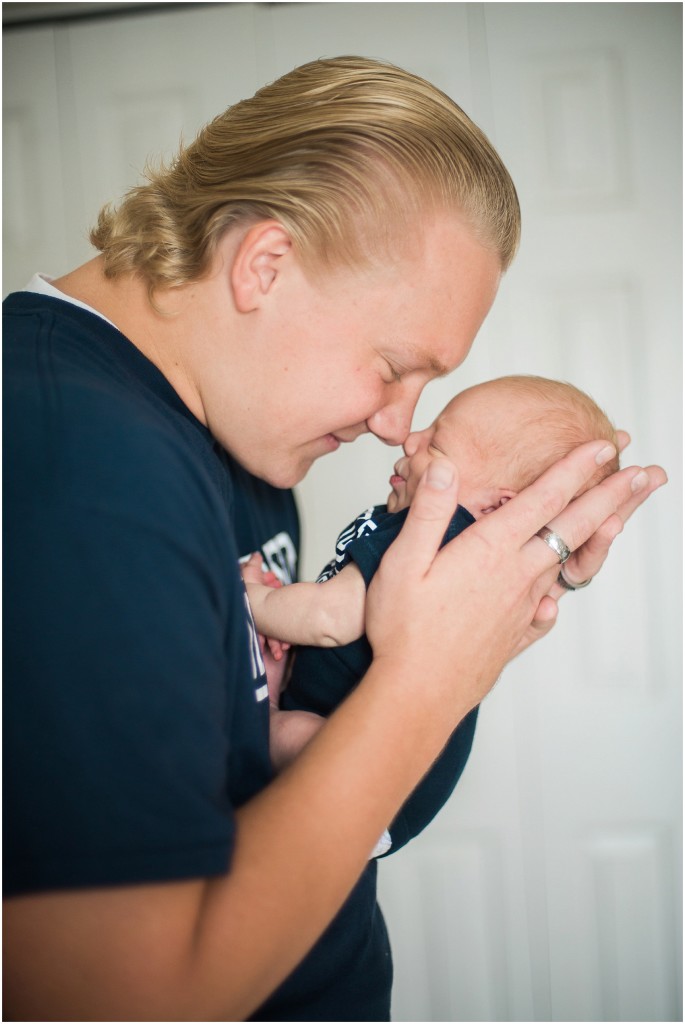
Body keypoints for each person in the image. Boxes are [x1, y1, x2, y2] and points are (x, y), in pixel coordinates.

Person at [3, 56, 665, 1023]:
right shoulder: (74, 466)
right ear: (264, 265)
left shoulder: (236, 438)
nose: (401, 426)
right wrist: (431, 677)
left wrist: (475, 604)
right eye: (395, 366)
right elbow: (117, 1001)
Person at [244, 375, 620, 789]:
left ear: (498, 506)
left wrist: (252, 601)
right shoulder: (474, 564)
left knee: (278, 733)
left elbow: (330, 616)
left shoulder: (430, 534)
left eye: (436, 445)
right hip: (403, 765)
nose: (410, 439)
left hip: (363, 770)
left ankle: (272, 713)